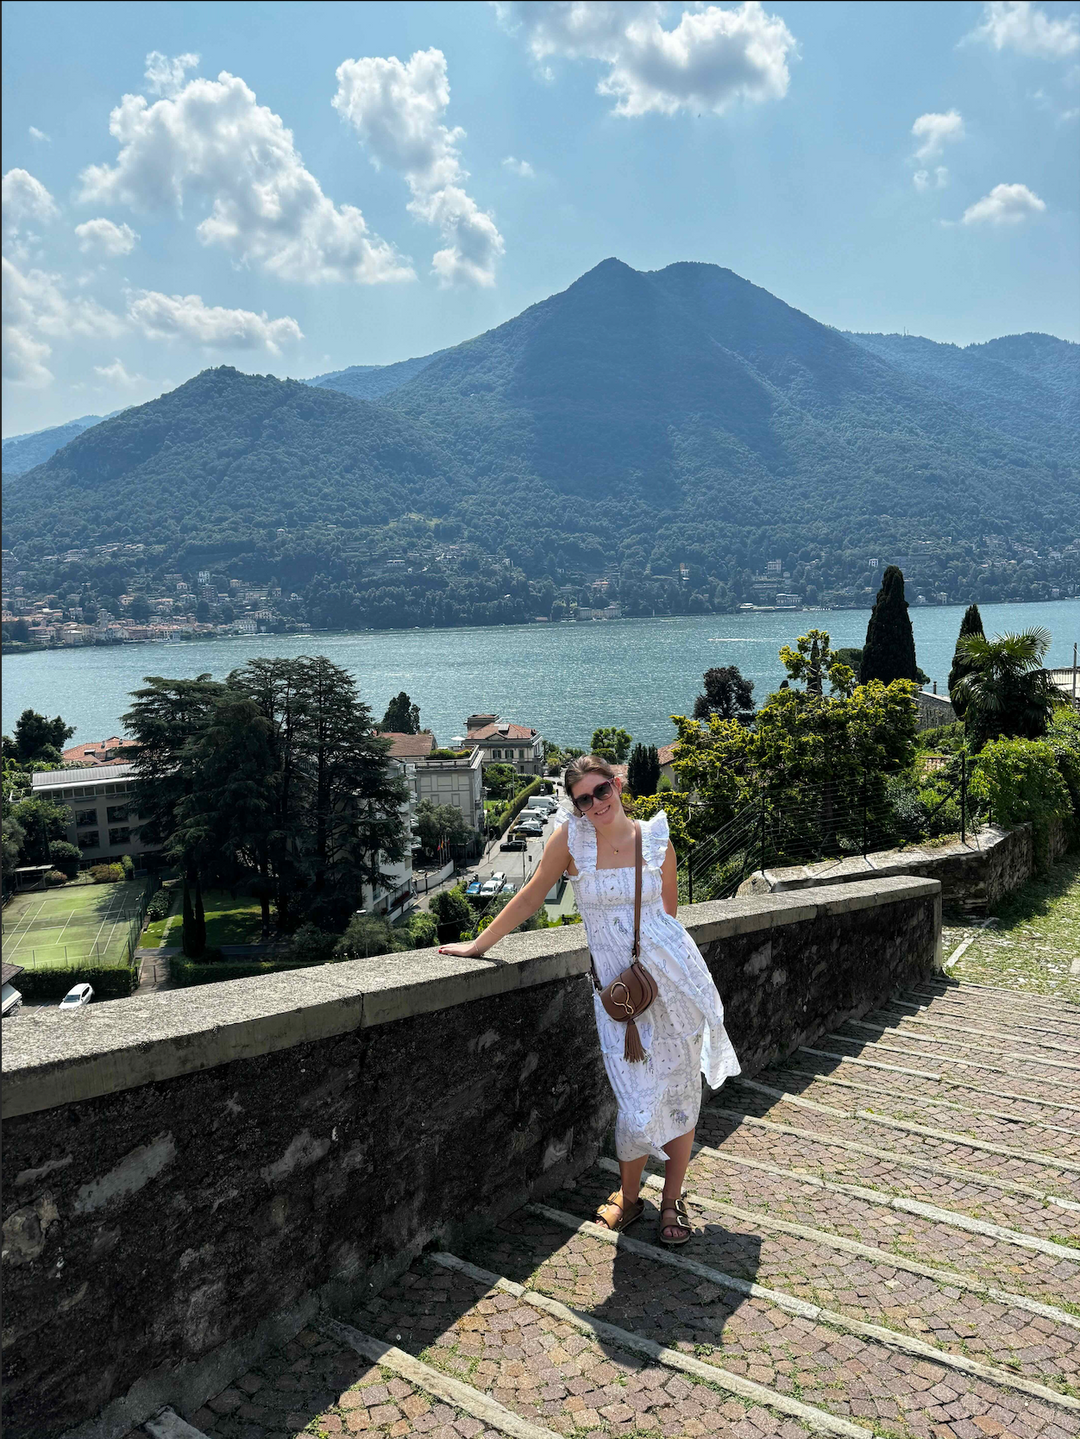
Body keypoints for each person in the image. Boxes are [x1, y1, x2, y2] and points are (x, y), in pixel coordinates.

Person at [439, 754, 740, 1246]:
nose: (595, 803)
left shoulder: (656, 838)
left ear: (618, 785)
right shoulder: (572, 840)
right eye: (583, 799)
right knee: (635, 1098)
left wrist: (665, 974)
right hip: (619, 998)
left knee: (682, 1092)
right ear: (575, 805)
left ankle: (671, 1200)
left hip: (674, 986)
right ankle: (629, 1194)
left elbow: (668, 917)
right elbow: (533, 896)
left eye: (602, 791)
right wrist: (479, 946)